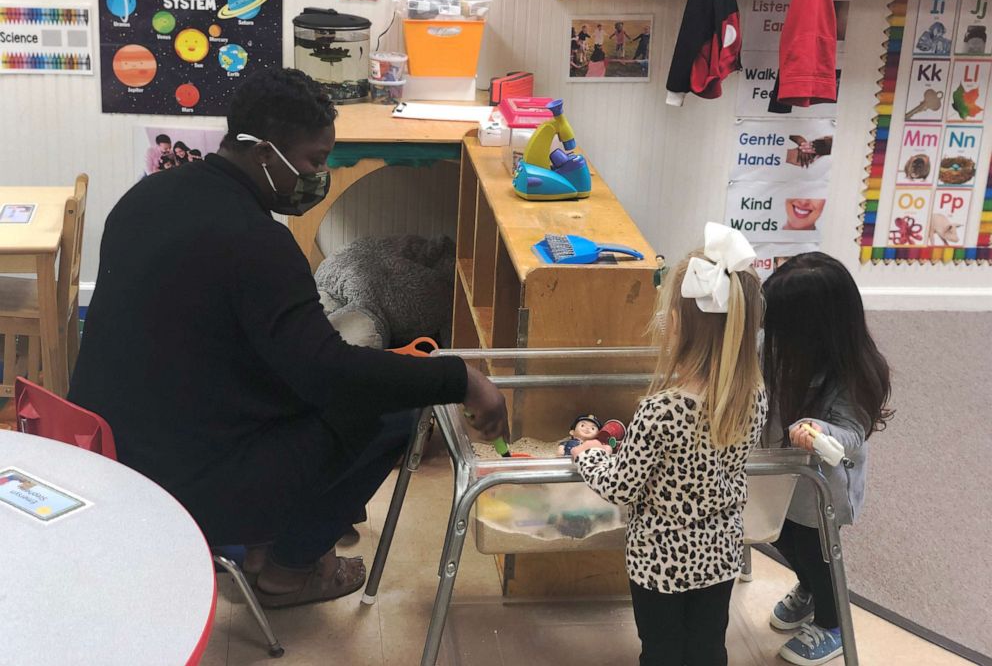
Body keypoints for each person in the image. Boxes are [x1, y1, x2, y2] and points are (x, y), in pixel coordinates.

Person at [69, 67, 507, 609]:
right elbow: (331, 378)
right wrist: (458, 377)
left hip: (110, 453)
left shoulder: (146, 197)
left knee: (331, 390)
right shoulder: (257, 242)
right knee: (394, 410)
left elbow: (240, 349)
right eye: (314, 161)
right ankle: (287, 571)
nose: (319, 175)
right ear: (263, 152)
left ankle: (268, 541)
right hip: (181, 483)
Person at [573, 222, 767, 666]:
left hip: (660, 561)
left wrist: (590, 457)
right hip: (721, 551)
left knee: (660, 652)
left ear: (676, 325)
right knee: (707, 649)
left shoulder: (663, 408)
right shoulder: (752, 392)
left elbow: (623, 486)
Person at [762, 252, 892, 666]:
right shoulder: (776, 348)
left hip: (820, 489)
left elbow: (852, 434)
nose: (771, 332)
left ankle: (833, 621)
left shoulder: (852, 373)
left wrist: (816, 431)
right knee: (779, 535)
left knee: (818, 553)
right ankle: (809, 587)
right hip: (780, 474)